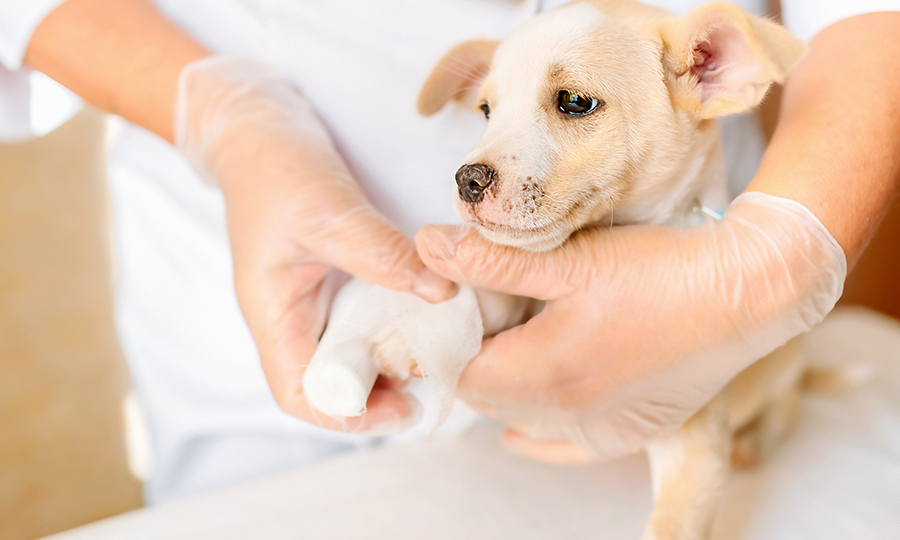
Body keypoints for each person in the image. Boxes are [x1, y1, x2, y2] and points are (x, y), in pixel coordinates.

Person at [1, 0, 897, 503]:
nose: (477, 163)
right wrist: (225, 115)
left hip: (677, 322)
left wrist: (783, 251)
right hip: (250, 366)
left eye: (569, 105)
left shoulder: (701, 63)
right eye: (487, 109)